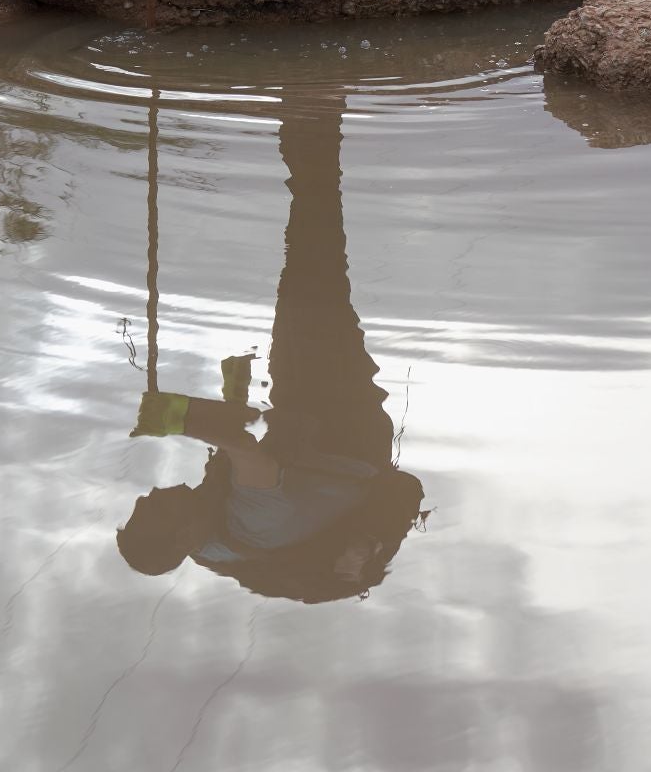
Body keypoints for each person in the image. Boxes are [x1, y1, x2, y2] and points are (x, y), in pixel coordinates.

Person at [117, 105, 425, 603]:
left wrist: (233, 389)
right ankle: (314, 122)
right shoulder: (250, 529)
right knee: (314, 276)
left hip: (307, 422)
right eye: (146, 510)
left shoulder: (214, 540)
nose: (145, 495)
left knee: (308, 270)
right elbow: (245, 450)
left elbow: (239, 440)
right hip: (342, 428)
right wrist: (171, 417)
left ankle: (310, 141)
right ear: (178, 535)